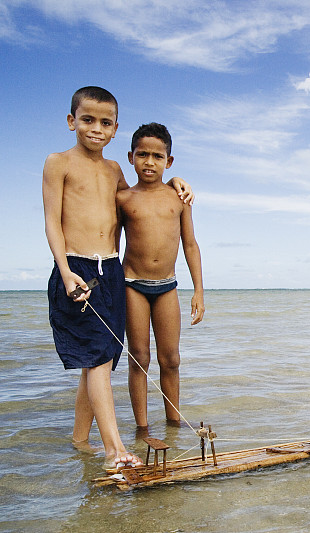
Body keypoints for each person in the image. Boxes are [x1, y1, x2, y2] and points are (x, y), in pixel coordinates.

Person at [43, 86, 193, 468]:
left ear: (114, 128)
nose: (96, 128)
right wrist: (65, 273)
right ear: (71, 121)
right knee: (98, 358)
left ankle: (80, 441)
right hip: (77, 269)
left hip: (110, 271)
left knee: (101, 358)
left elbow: (144, 197)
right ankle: (114, 450)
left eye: (105, 123)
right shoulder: (57, 163)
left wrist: (175, 182)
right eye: (88, 120)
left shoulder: (113, 171)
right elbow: (52, 223)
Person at [117, 122, 205, 433]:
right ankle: (142, 430)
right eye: (142, 154)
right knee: (139, 358)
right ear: (131, 157)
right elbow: (110, 244)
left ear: (169, 161)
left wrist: (198, 290)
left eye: (157, 156)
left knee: (171, 360)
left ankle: (174, 425)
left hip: (167, 286)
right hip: (132, 286)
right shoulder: (123, 198)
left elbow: (190, 244)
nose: (149, 162)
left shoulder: (178, 198)